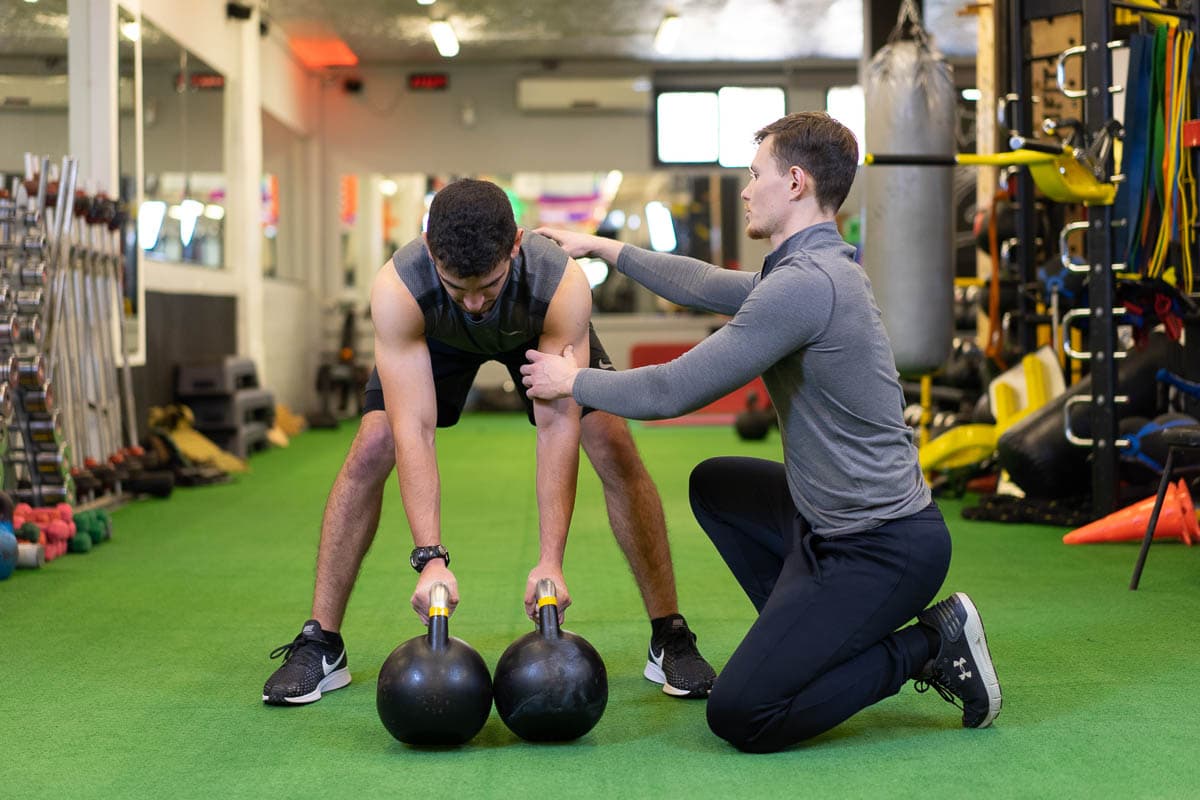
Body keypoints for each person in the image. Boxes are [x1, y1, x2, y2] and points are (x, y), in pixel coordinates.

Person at [521, 112, 1002, 752]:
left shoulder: (806, 285)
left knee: (743, 714)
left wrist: (572, 380)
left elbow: (671, 391)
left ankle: (930, 645)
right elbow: (706, 283)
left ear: (796, 182)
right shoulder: (808, 268)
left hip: (883, 547)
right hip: (828, 525)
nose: (746, 190)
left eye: (755, 176)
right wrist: (605, 248)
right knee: (717, 486)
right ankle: (809, 638)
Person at [263, 178, 715, 706]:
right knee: (373, 443)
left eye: (490, 285)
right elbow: (415, 430)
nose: (475, 304)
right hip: (434, 336)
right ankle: (321, 642)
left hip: (535, 329)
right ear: (430, 249)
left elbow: (556, 426)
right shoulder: (399, 289)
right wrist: (430, 558)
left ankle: (669, 633)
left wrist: (550, 561)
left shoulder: (561, 285)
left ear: (516, 245)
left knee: (611, 440)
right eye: (458, 287)